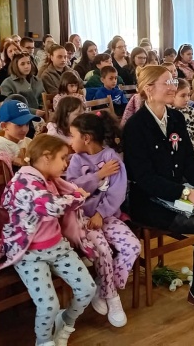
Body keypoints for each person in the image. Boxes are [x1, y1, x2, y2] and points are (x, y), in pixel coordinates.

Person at [123, 66, 194, 315]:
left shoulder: (175, 118)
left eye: (173, 81)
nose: (173, 86)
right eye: (167, 82)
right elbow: (145, 179)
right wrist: (187, 193)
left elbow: (188, 161)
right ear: (149, 89)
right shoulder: (135, 127)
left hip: (175, 193)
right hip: (148, 201)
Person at [0, 134, 96, 346]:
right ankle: (43, 341)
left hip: (57, 247)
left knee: (88, 288)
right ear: (46, 157)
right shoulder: (22, 182)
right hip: (29, 254)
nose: (66, 164)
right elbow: (52, 206)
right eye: (63, 158)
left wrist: (76, 195)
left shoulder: (50, 179)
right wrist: (78, 196)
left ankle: (66, 321)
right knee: (48, 306)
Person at [67, 112, 138, 328]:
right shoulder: (76, 160)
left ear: (86, 138)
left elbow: (117, 192)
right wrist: (97, 175)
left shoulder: (111, 158)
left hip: (106, 217)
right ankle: (113, 297)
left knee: (132, 247)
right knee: (103, 251)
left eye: (73, 136)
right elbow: (72, 189)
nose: (71, 141)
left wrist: (101, 213)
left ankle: (104, 287)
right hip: (83, 220)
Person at [0, 100, 37, 168]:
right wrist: (11, 159)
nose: (24, 129)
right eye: (19, 125)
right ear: (4, 126)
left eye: (27, 124)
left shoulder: (28, 142)